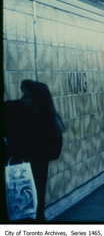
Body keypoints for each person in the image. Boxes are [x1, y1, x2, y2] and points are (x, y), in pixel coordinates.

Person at [4, 80, 65, 221]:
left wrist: (22, 151)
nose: (22, 99)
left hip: (32, 174)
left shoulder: (46, 122)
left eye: (27, 96)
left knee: (31, 210)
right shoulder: (16, 109)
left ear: (37, 101)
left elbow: (54, 151)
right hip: (24, 172)